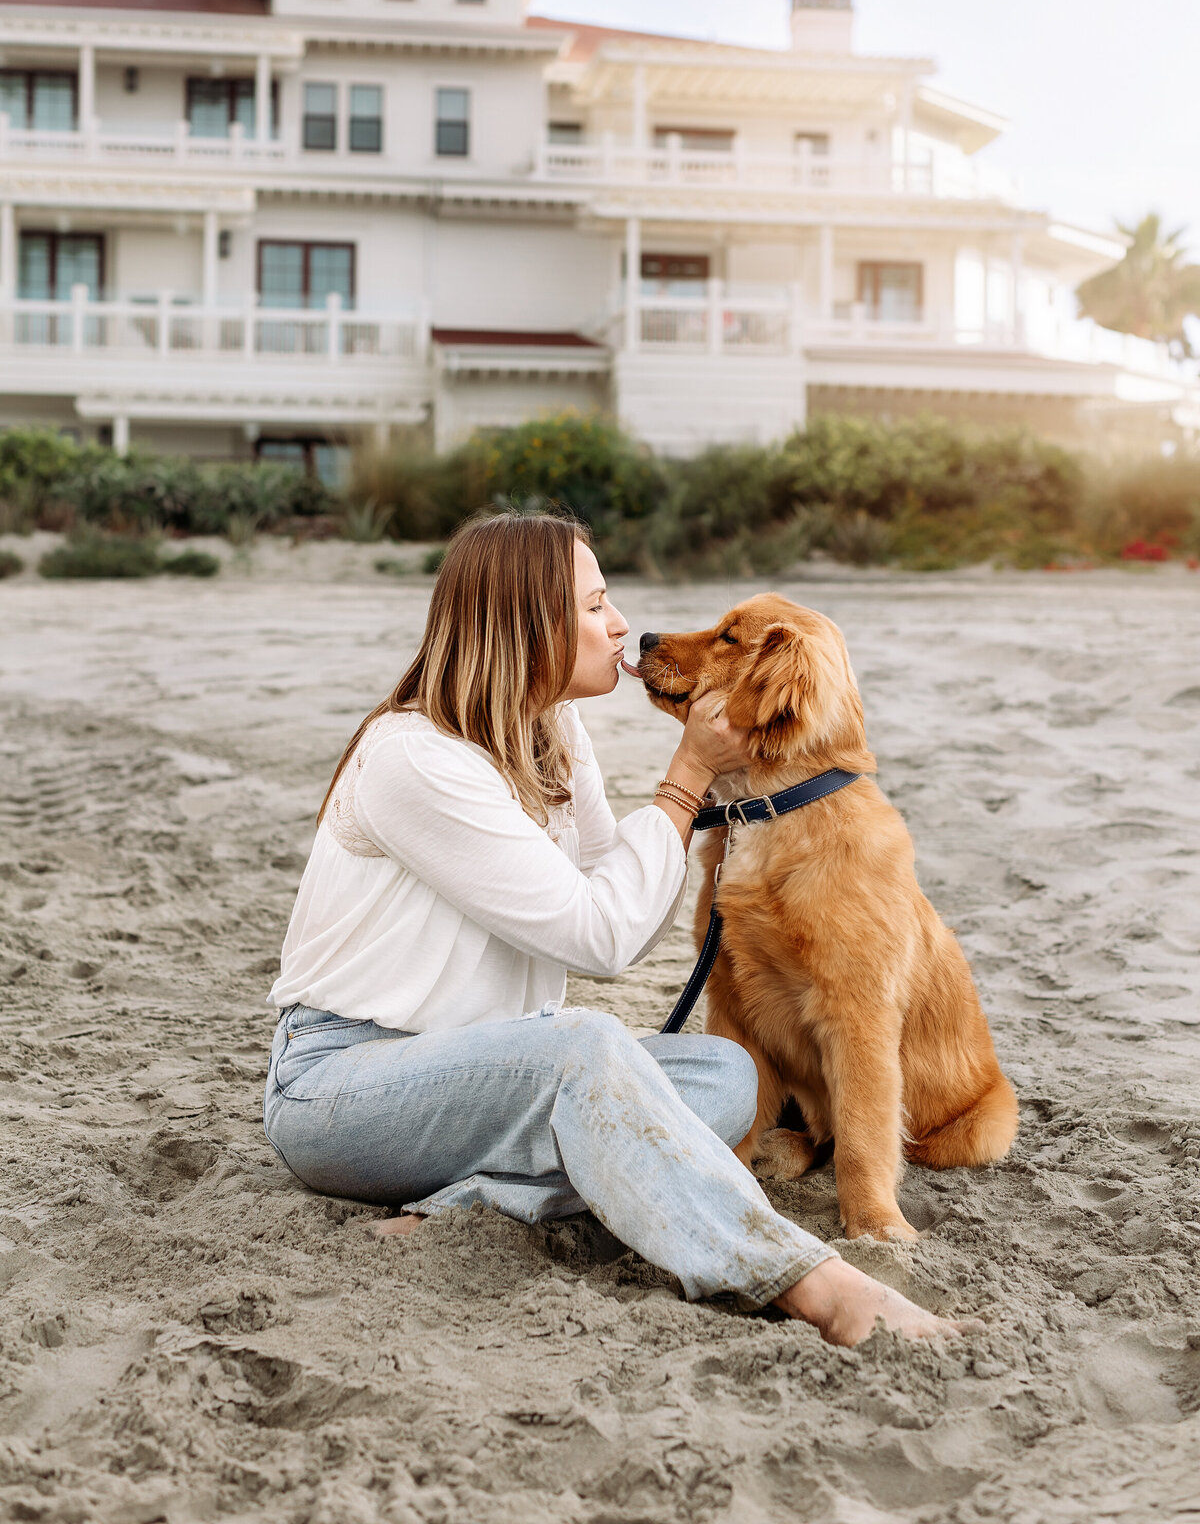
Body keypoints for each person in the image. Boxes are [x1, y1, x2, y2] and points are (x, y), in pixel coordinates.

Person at [264, 512, 968, 1346]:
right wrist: (689, 774)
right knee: (586, 1048)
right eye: (596, 606)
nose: (622, 625)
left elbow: (624, 918)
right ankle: (809, 1282)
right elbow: (598, 937)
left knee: (724, 1077)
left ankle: (482, 1200)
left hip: (497, 1076)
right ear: (530, 625)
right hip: (345, 1086)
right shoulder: (415, 758)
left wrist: (717, 794)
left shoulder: (555, 734)